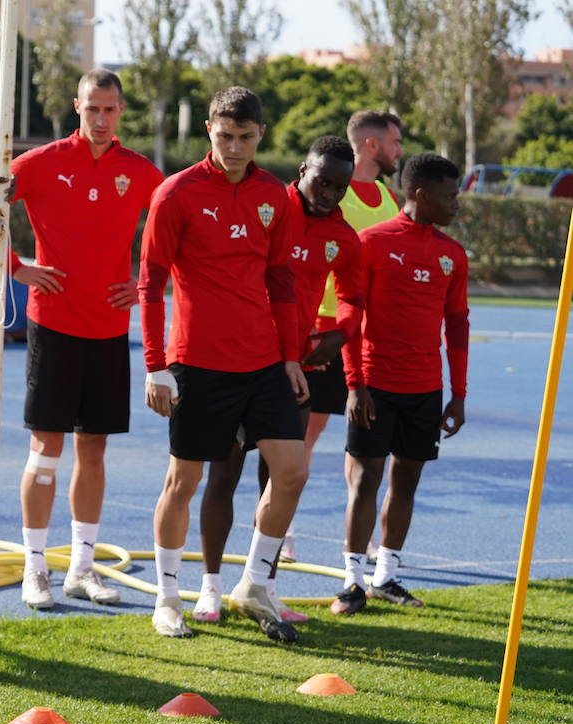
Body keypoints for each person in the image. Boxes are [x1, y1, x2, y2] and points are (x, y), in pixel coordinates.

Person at [0, 68, 162, 610]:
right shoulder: (40, 162)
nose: (101, 119)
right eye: (91, 109)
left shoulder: (140, 171)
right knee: (46, 449)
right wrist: (14, 266)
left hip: (108, 328)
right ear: (77, 107)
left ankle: (82, 568)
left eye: (110, 109)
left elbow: (175, 225)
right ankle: (36, 571)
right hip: (52, 324)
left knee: (93, 452)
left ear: (121, 111)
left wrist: (147, 281)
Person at [138, 86, 307, 643]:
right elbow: (151, 284)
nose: (234, 147)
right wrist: (155, 365)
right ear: (209, 130)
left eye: (245, 136)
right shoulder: (175, 193)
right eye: (225, 135)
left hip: (262, 362)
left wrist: (290, 356)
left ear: (261, 134)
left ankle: (254, 584)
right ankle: (167, 600)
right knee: (182, 482)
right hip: (196, 363)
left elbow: (281, 279)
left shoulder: (273, 196)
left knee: (292, 470)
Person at [193, 135, 365, 625]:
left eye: (340, 187)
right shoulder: (266, 207)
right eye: (322, 180)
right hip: (237, 358)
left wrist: (341, 334)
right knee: (223, 474)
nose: (330, 193)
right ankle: (209, 589)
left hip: (294, 369)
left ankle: (261, 586)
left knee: (281, 479)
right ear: (302, 168)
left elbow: (354, 295)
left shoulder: (344, 237)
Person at [330, 152, 468, 615]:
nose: (456, 205)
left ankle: (386, 575)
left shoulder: (452, 255)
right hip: (374, 384)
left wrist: (459, 395)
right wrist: (354, 385)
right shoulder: (370, 242)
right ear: (420, 195)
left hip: (425, 389)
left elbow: (458, 327)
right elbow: (350, 316)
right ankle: (352, 581)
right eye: (449, 197)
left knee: (407, 479)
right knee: (366, 478)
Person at [295, 111, 404, 561]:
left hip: (364, 335)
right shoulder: (328, 194)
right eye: (396, 141)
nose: (401, 149)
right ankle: (280, 527)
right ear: (373, 145)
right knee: (304, 434)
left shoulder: (387, 198)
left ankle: (354, 541)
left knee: (361, 438)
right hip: (321, 329)